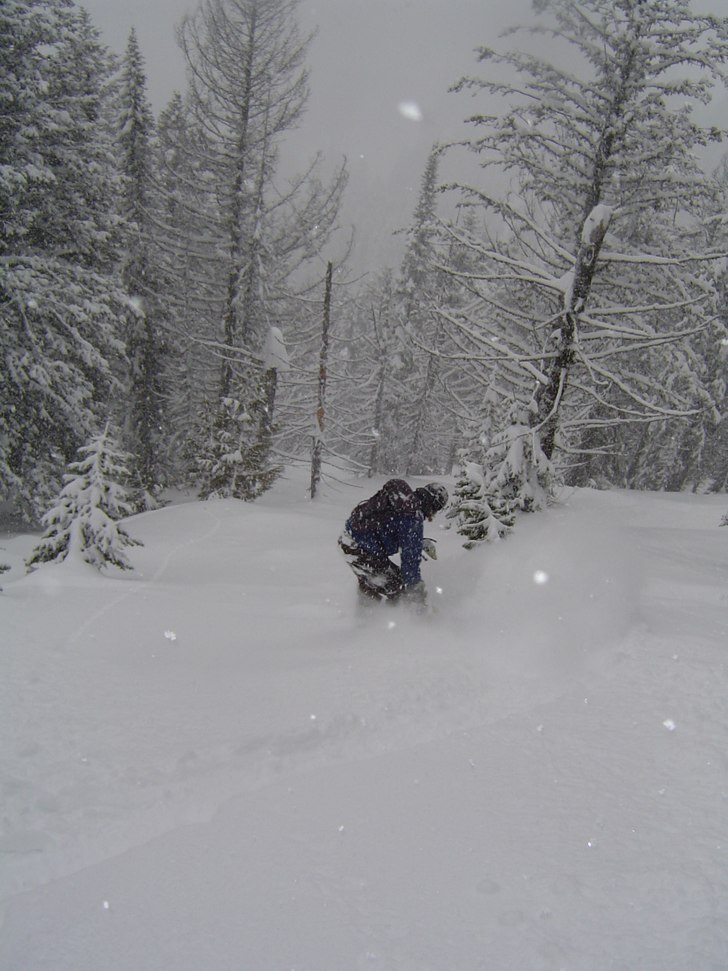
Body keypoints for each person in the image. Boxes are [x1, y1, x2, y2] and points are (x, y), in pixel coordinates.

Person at [339, 478, 449, 605]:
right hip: (362, 550)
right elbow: (410, 562)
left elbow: (389, 528)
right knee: (397, 585)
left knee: (375, 581)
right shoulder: (413, 516)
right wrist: (417, 592)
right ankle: (401, 620)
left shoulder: (403, 502)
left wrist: (419, 543)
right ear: (433, 506)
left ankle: (366, 618)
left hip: (348, 541)